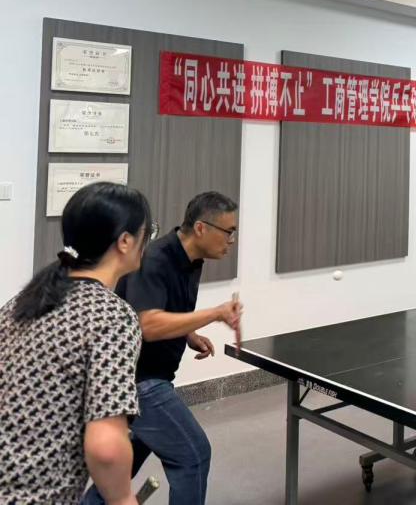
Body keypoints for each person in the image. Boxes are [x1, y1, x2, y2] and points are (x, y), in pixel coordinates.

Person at [82, 191, 243, 505]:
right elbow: (147, 324)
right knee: (193, 455)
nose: (232, 240)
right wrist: (215, 313)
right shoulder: (155, 259)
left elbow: (157, 307)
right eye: (229, 231)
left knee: (124, 463)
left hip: (145, 376)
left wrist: (189, 333)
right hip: (137, 381)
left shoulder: (191, 260)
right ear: (201, 228)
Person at [0, 182, 154, 505]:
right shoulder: (111, 316)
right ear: (125, 241)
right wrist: (123, 499)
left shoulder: (23, 302)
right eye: (147, 233)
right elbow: (106, 447)